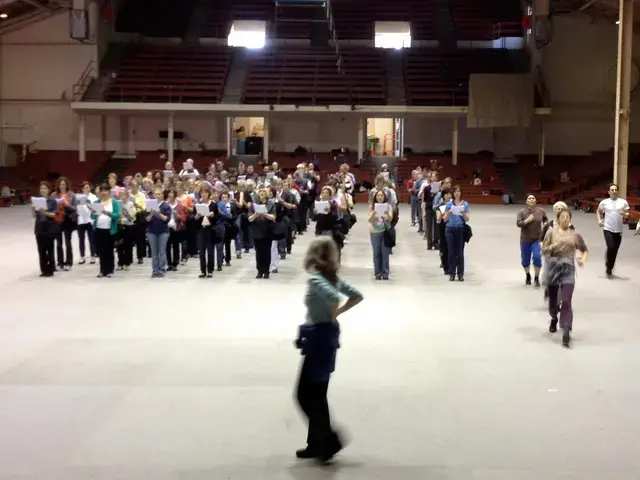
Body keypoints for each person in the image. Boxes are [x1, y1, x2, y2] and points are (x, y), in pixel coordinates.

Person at [295, 237, 363, 463]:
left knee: (304, 394)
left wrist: (333, 313)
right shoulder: (332, 277)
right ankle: (316, 443)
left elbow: (334, 297)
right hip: (327, 337)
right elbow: (356, 295)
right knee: (317, 393)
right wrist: (337, 315)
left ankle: (329, 439)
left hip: (318, 338)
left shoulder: (316, 279)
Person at [542, 209, 588, 347]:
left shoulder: (575, 235)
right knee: (553, 302)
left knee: (567, 300)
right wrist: (556, 245)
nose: (565, 219)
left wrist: (581, 259)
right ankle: (554, 317)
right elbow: (544, 250)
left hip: (568, 269)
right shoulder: (551, 232)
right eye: (563, 217)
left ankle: (566, 329)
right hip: (553, 268)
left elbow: (584, 249)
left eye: (568, 217)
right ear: (558, 219)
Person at [597, 183, 630, 277]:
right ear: (609, 192)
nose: (614, 191)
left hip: (618, 230)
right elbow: (598, 211)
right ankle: (608, 265)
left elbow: (627, 214)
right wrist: (599, 220)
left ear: (618, 191)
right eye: (612, 190)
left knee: (615, 250)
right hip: (608, 228)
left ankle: (610, 267)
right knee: (610, 246)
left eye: (615, 190)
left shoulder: (623, 202)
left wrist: (624, 214)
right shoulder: (604, 202)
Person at [516, 194, 548, 286]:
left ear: (535, 201)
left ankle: (537, 278)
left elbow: (545, 219)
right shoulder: (522, 212)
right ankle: (528, 275)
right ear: (526, 202)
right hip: (525, 239)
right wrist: (526, 221)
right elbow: (518, 223)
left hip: (537, 239)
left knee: (537, 257)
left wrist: (546, 224)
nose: (531, 199)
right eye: (529, 198)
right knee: (525, 260)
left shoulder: (541, 211)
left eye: (533, 198)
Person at [92, 183, 121, 278]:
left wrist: (108, 213)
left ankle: (110, 270)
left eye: (105, 191)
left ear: (109, 192)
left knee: (109, 250)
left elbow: (117, 215)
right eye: (102, 191)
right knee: (100, 251)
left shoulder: (114, 202)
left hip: (109, 230)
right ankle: (102, 270)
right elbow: (92, 216)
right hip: (99, 229)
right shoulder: (97, 202)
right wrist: (93, 213)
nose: (103, 193)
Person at [32, 181, 59, 277]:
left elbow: (54, 215)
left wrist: (45, 212)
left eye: (45, 188)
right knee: (41, 250)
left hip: (49, 228)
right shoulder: (37, 200)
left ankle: (51, 269)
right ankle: (44, 270)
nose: (43, 190)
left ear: (49, 190)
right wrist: (33, 208)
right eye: (41, 188)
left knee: (50, 249)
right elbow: (34, 215)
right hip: (39, 228)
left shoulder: (53, 201)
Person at [443, 186, 470, 282]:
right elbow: (444, 218)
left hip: (460, 229)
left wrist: (463, 213)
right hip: (450, 229)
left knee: (460, 252)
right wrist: (449, 212)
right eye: (455, 191)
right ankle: (452, 273)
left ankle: (460, 273)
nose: (457, 193)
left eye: (459, 191)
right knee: (451, 252)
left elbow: (467, 219)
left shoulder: (465, 204)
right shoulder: (449, 204)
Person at [248, 188, 276, 278]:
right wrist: (255, 214)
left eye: (264, 191)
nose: (262, 193)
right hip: (257, 230)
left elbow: (274, 217)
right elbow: (249, 219)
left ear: (267, 194)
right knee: (258, 252)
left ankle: (267, 271)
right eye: (260, 191)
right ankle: (260, 270)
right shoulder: (254, 204)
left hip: (267, 230)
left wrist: (265, 214)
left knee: (267, 251)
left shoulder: (271, 204)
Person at [146, 187, 172, 278]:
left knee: (161, 251)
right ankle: (155, 270)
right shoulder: (149, 204)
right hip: (151, 231)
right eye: (156, 194)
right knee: (154, 252)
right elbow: (147, 219)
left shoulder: (166, 206)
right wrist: (151, 213)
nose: (157, 195)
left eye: (159, 194)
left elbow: (167, 219)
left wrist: (158, 213)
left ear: (162, 195)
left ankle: (161, 269)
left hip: (163, 231)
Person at [54, 177, 77, 271]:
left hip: (68, 220)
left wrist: (66, 205)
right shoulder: (54, 195)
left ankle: (69, 262)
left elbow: (75, 208)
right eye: (60, 184)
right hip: (58, 220)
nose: (62, 186)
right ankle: (60, 262)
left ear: (67, 185)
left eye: (64, 184)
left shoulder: (71, 195)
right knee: (59, 243)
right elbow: (51, 207)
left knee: (68, 242)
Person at [368, 189, 393, 280]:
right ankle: (377, 273)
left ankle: (385, 272)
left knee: (385, 253)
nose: (379, 197)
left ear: (384, 197)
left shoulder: (388, 206)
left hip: (385, 231)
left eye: (381, 195)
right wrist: (373, 214)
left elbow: (390, 219)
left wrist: (387, 214)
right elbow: (369, 220)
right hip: (374, 231)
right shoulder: (372, 207)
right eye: (378, 195)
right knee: (376, 253)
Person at [194, 186, 218, 278]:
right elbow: (193, 218)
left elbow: (218, 218)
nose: (204, 194)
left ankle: (210, 270)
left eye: (205, 192)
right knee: (201, 251)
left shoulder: (213, 205)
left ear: (209, 194)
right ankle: (203, 270)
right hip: (201, 229)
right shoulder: (198, 204)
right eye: (202, 193)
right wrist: (196, 216)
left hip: (210, 229)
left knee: (211, 251)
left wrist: (213, 215)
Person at [76, 181, 97, 265]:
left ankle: (92, 256)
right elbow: (76, 208)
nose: (86, 189)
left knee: (91, 239)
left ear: (90, 188)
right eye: (84, 188)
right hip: (81, 220)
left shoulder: (93, 197)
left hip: (90, 220)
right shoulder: (78, 197)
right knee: (81, 239)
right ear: (82, 189)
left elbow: (96, 209)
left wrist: (89, 204)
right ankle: (82, 256)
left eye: (87, 187)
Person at [116, 189, 136, 271]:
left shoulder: (131, 204)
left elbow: (131, 217)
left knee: (127, 245)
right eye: (121, 195)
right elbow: (117, 215)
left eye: (124, 195)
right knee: (120, 246)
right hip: (120, 226)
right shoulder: (118, 204)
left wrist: (124, 216)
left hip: (128, 226)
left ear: (127, 196)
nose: (123, 197)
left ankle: (127, 263)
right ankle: (120, 263)